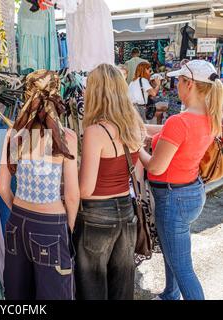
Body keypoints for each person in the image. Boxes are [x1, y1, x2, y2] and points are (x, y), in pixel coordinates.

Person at [139, 60, 223, 300]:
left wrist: (135, 147)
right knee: (172, 253)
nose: (176, 86)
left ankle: (174, 294)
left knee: (182, 267)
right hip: (190, 191)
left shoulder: (180, 121)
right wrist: (138, 127)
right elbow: (167, 132)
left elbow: (155, 166)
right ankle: (170, 294)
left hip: (172, 197)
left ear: (189, 84)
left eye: (179, 81)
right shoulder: (209, 117)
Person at [0, 70, 80, 300]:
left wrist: (20, 213)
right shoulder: (66, 138)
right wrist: (69, 228)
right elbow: (72, 196)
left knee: (17, 294)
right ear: (57, 95)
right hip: (51, 225)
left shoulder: (13, 134)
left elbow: (2, 187)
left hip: (17, 221)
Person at [74, 64, 145, 300]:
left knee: (91, 286)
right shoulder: (133, 125)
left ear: (96, 92)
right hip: (126, 211)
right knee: (122, 286)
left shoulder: (96, 131)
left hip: (96, 216)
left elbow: (86, 189)